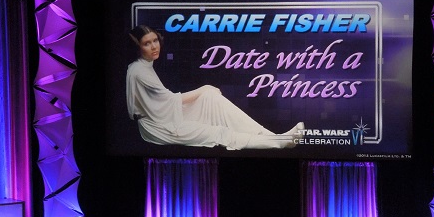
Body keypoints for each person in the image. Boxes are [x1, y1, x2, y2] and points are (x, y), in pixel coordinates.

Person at [126, 25, 305, 150]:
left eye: (155, 40)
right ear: (138, 47)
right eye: (146, 43)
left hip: (165, 116)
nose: (154, 46)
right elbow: (168, 101)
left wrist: (206, 92)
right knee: (218, 132)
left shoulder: (144, 66)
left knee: (211, 98)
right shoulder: (139, 71)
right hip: (158, 126)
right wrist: (203, 88)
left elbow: (163, 103)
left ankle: (273, 136)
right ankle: (277, 143)